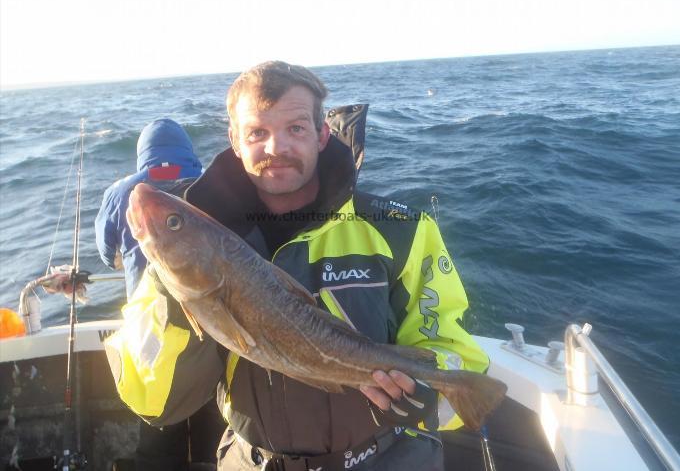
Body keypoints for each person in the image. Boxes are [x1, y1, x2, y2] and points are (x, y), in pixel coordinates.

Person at [105, 62, 490, 471]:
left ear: (322, 134)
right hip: (253, 461)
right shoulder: (189, 254)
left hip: (387, 458)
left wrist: (428, 396)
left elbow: (454, 352)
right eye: (257, 133)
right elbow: (152, 400)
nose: (276, 148)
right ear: (234, 140)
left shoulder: (402, 230)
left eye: (296, 129)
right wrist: (173, 296)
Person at [95, 119, 223, 471]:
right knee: (214, 429)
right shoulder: (208, 188)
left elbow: (109, 256)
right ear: (189, 152)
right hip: (209, 328)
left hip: (153, 332)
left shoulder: (123, 193)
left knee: (158, 417)